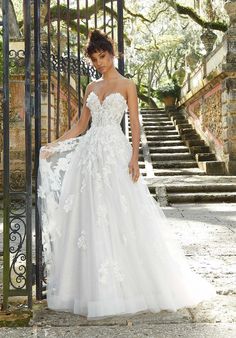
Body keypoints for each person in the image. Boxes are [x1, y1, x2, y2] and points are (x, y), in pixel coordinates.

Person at [38, 29, 216, 320]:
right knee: (90, 217)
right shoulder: (91, 88)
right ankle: (91, 289)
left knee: (121, 214)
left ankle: (128, 286)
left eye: (103, 56)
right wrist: (54, 145)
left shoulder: (127, 85)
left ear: (112, 53)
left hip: (115, 154)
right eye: (95, 59)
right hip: (89, 157)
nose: (99, 63)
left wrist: (134, 158)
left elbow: (134, 123)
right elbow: (80, 126)